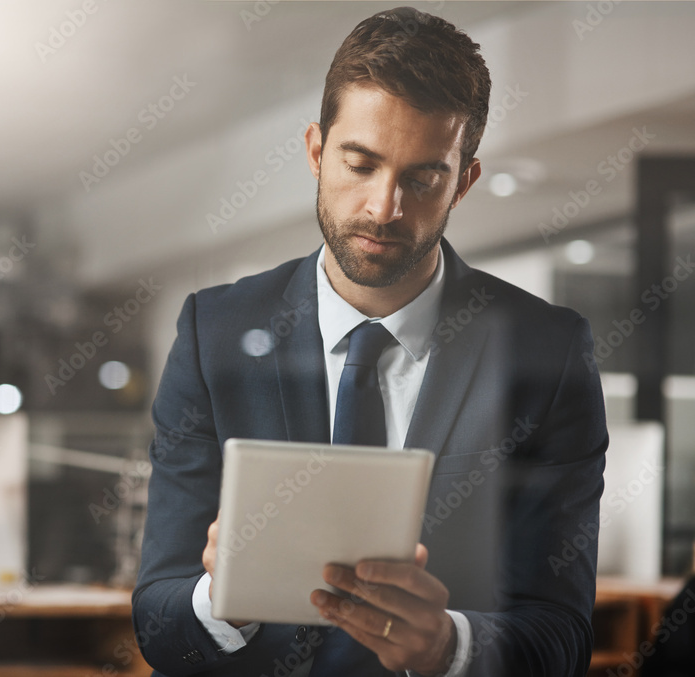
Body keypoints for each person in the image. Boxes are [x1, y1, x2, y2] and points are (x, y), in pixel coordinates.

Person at [132, 7, 607, 677]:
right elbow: (157, 623)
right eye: (360, 164)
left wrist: (449, 646)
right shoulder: (217, 333)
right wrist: (221, 599)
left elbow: (561, 635)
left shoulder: (548, 352)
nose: (385, 208)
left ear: (463, 182)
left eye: (422, 179)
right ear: (317, 151)